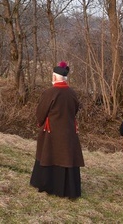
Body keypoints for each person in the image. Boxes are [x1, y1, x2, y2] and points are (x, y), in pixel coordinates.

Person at [29, 61, 85, 199]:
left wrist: (40, 122)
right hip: (69, 132)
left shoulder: (50, 92)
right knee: (67, 158)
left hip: (52, 133)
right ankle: (68, 190)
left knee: (49, 156)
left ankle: (49, 186)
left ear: (54, 77)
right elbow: (76, 109)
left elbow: (41, 112)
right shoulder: (72, 93)